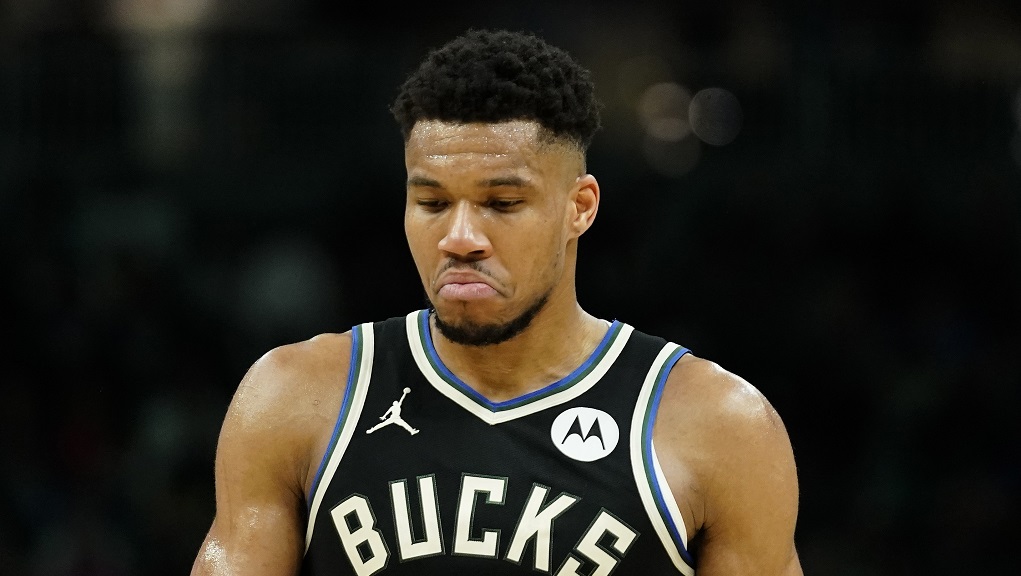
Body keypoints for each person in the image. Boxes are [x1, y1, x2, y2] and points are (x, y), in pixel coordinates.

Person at [190, 28, 802, 576]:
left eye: (502, 204)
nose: (460, 238)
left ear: (580, 207)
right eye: (432, 203)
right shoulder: (296, 397)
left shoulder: (716, 425)